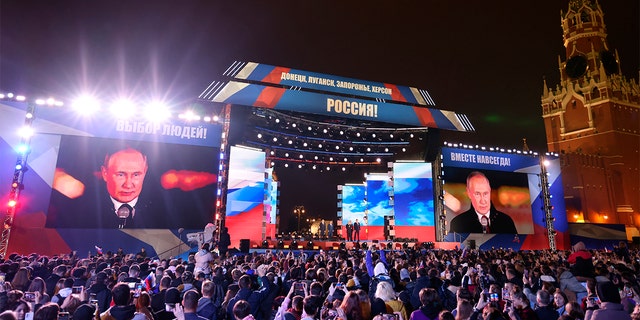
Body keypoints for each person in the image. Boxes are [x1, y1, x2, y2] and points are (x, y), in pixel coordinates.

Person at [448, 171, 517, 234]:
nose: (483, 201)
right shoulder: (458, 223)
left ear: (490, 191)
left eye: (485, 193)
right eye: (477, 194)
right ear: (469, 193)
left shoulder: (506, 221)